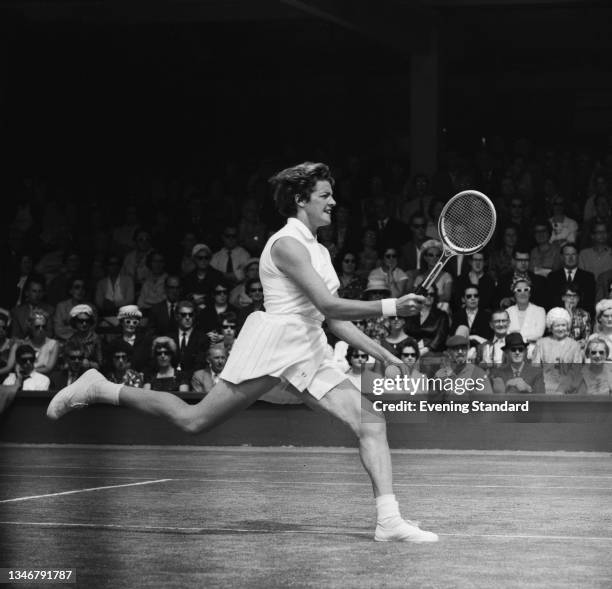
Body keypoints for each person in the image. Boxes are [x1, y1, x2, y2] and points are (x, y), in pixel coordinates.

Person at [47, 161, 437, 543]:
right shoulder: (286, 244)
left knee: (370, 422)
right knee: (193, 420)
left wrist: (385, 355)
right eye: (325, 195)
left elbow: (331, 320)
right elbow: (330, 306)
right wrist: (391, 305)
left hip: (309, 349)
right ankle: (99, 388)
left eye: (331, 194)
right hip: (276, 346)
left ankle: (389, 521)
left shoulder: (318, 250)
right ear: (302, 199)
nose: (333, 201)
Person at [532, 308, 582, 394]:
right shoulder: (541, 343)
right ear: (551, 327)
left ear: (568, 326)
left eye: (563, 325)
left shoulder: (574, 345)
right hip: (544, 389)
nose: (560, 329)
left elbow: (576, 371)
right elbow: (535, 369)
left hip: (568, 390)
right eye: (557, 325)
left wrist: (563, 389)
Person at [505, 278, 546, 358]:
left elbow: (538, 334)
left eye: (526, 289)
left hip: (533, 353)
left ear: (530, 293)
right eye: (519, 290)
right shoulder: (507, 312)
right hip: (511, 353)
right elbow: (506, 333)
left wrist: (516, 338)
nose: (522, 293)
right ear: (514, 294)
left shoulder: (540, 310)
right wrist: (527, 339)